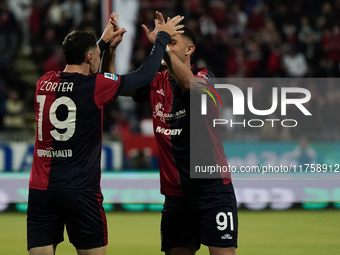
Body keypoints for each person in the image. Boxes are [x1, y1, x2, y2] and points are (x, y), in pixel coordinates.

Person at [27, 12, 184, 255]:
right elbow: (144, 76)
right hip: (80, 190)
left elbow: (80, 66)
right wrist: (162, 38)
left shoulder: (44, 82)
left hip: (40, 189)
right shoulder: (96, 85)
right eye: (97, 56)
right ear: (90, 57)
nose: (99, 59)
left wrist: (101, 43)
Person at [130, 12, 238, 255]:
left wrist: (161, 43)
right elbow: (115, 87)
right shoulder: (155, 82)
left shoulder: (204, 77)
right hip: (176, 196)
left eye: (172, 42)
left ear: (189, 49)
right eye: (166, 42)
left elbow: (189, 85)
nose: (167, 45)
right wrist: (111, 49)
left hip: (212, 190)